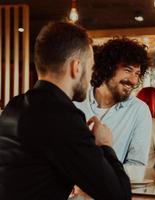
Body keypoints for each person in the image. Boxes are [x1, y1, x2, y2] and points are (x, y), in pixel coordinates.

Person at [0, 22, 130, 200]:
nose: (91, 76)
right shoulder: (62, 116)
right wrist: (105, 145)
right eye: (91, 67)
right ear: (76, 67)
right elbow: (119, 195)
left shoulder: (14, 106)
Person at [75, 38, 152, 166]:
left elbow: (136, 166)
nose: (133, 80)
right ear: (108, 68)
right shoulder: (76, 103)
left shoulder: (139, 111)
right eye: (128, 70)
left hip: (113, 186)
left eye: (137, 73)